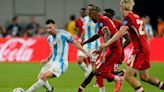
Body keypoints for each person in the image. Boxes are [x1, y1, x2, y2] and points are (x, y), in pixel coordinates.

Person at [99, 0, 164, 91]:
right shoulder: (136, 16)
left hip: (139, 49)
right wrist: (146, 39)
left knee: (128, 76)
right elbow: (144, 32)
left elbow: (121, 32)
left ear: (121, 8)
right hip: (145, 47)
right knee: (144, 77)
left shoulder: (128, 18)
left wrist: (106, 43)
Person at [25, 19, 91, 92]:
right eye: (47, 28)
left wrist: (86, 52)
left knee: (43, 77)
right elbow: (53, 50)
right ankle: (50, 89)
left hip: (60, 63)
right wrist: (47, 58)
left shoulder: (64, 34)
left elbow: (75, 43)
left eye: (50, 28)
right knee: (39, 78)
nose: (48, 30)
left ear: (55, 26)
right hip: (51, 61)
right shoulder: (49, 38)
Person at [77, 6, 124, 92]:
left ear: (94, 15)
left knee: (99, 72)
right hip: (111, 49)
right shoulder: (101, 21)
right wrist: (85, 42)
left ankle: (119, 78)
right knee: (95, 71)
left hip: (113, 50)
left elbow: (107, 34)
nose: (91, 20)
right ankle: (81, 89)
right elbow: (97, 35)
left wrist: (103, 52)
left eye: (91, 18)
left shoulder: (102, 21)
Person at [77, 4, 100, 77]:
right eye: (88, 9)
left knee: (94, 63)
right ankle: (88, 72)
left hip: (95, 43)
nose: (89, 10)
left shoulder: (98, 18)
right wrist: (80, 39)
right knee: (79, 60)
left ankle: (97, 81)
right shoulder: (85, 19)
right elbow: (84, 30)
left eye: (90, 9)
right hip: (86, 43)